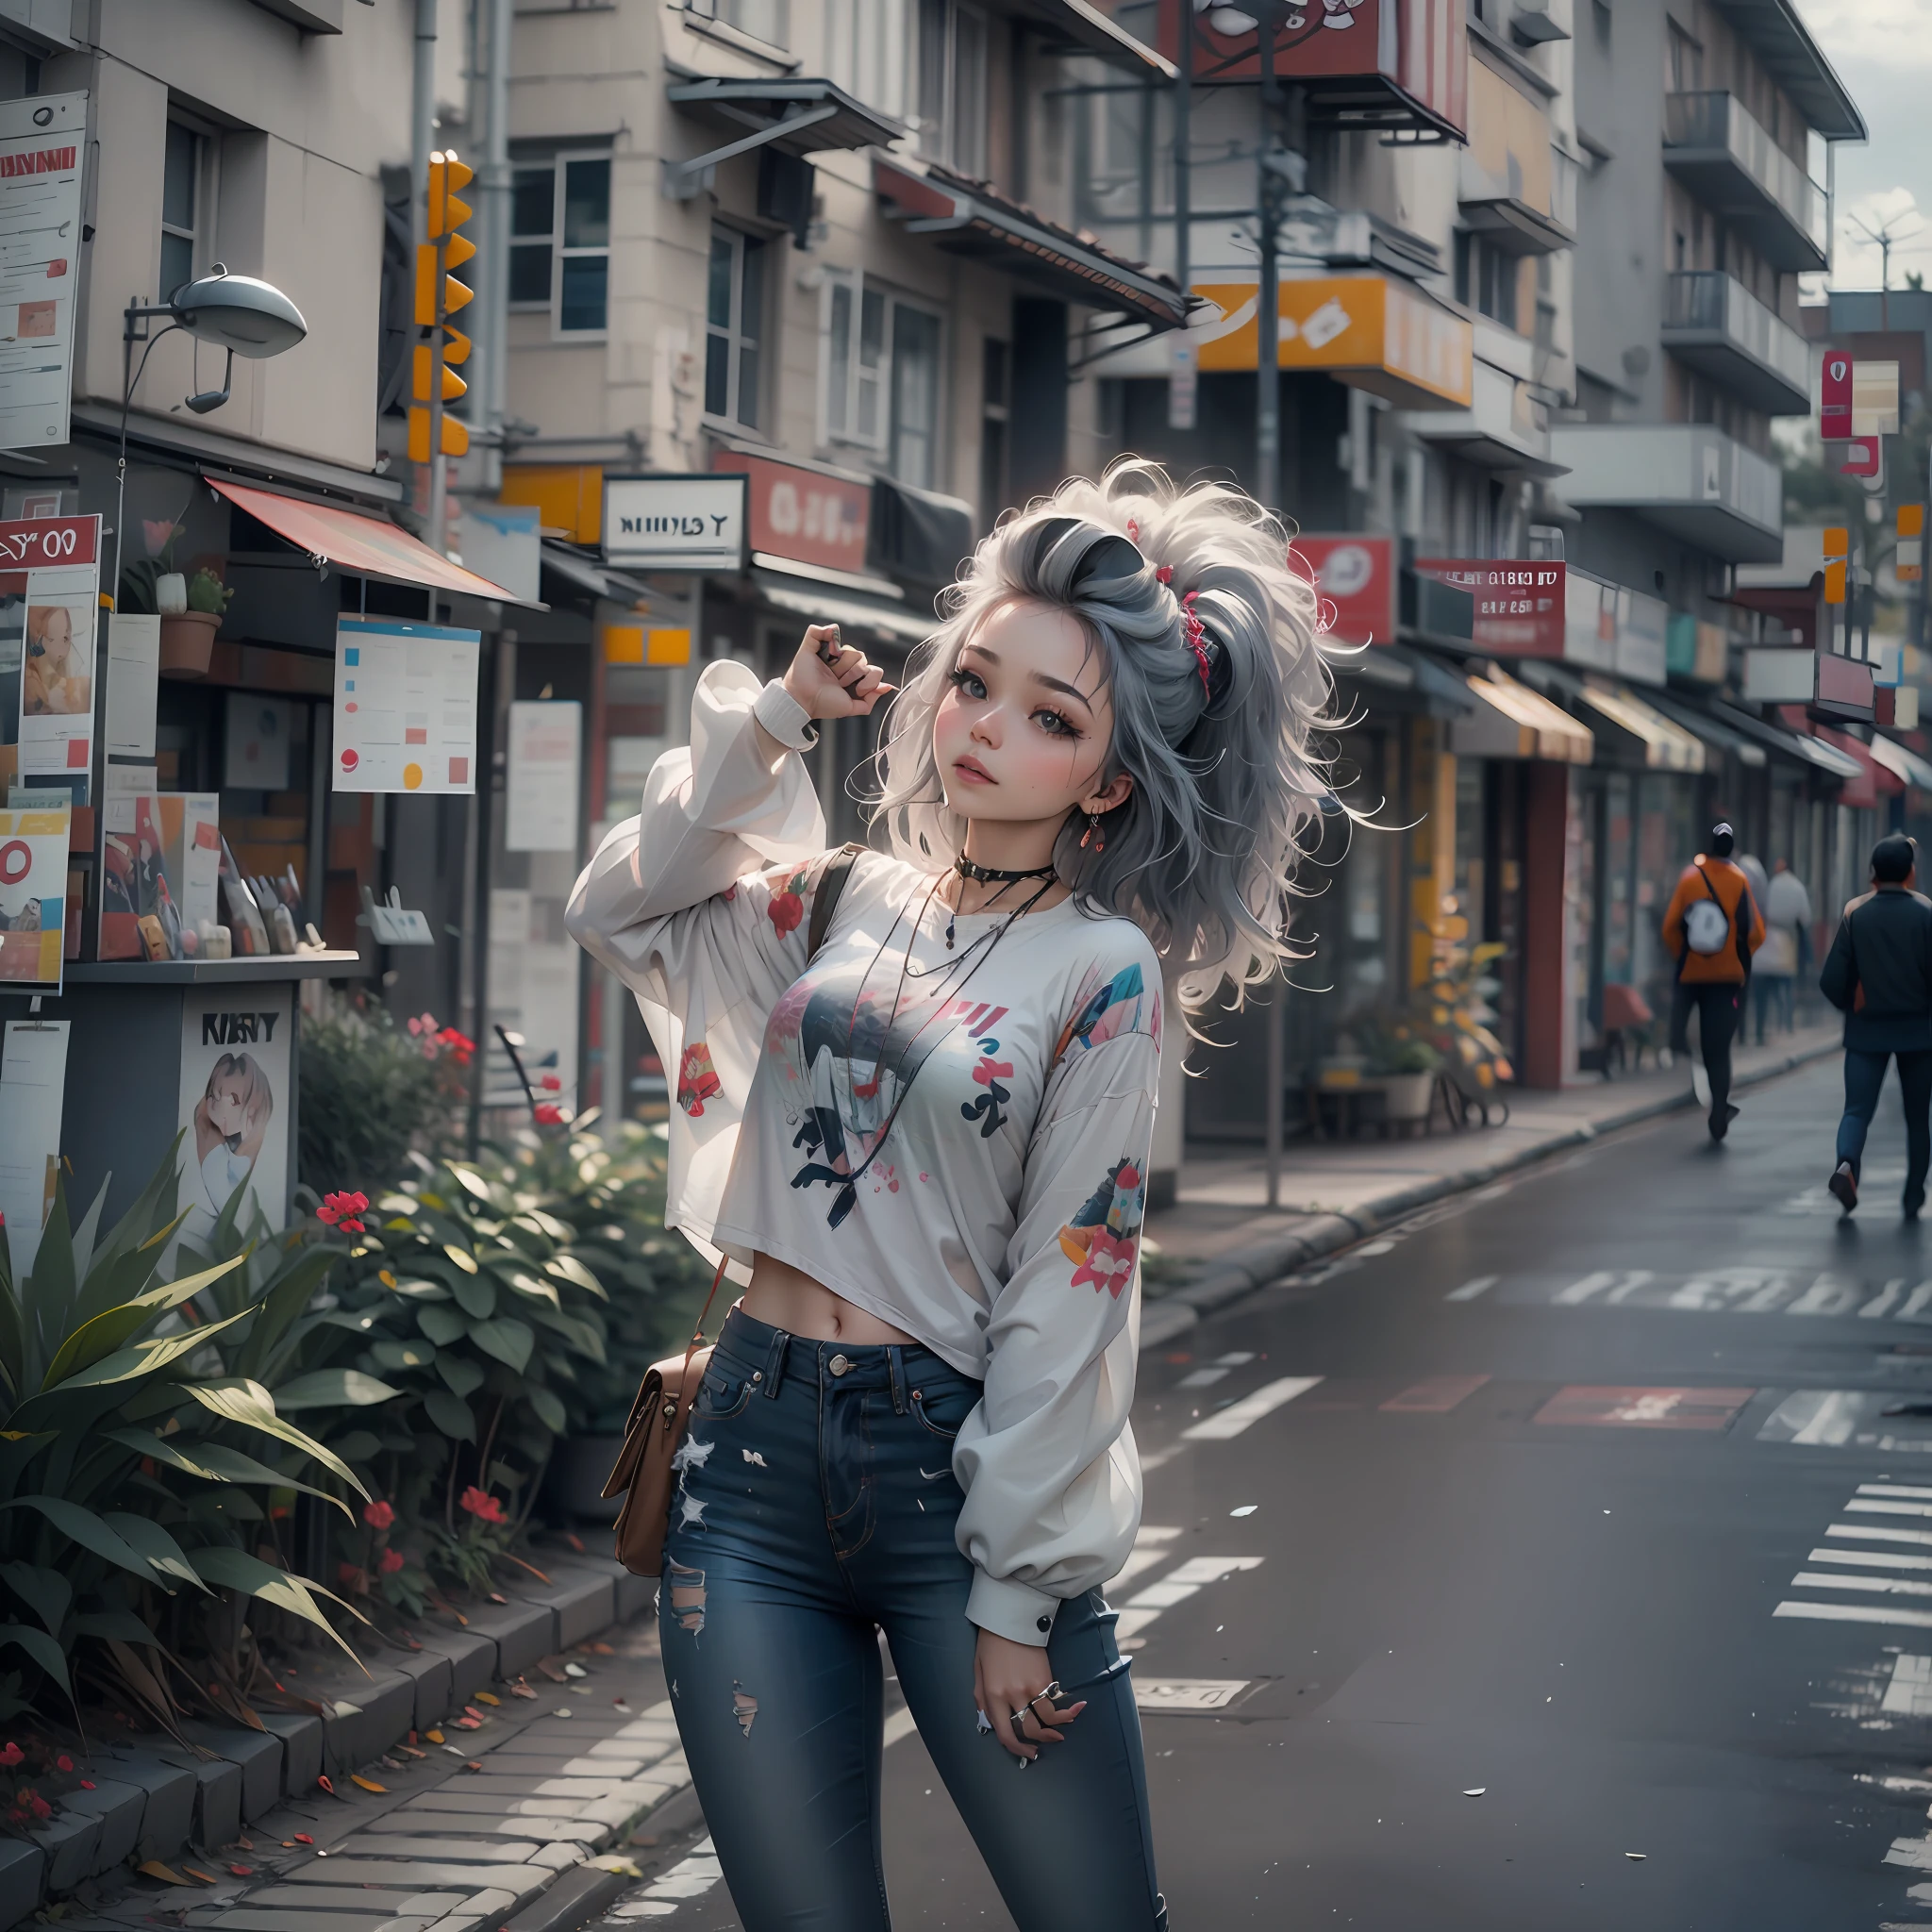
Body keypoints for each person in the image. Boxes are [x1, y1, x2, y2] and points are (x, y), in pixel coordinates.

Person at [566, 461, 1328, 1932]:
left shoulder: (1101, 971)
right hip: (751, 1467)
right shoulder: (843, 900)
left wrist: (1015, 1595)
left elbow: (1073, 1283)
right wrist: (774, 719)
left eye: (1052, 717)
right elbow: (621, 903)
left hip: (944, 1473)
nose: (988, 727)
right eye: (977, 681)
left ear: (1106, 781)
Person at [1818, 834, 1932, 1217]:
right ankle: (1914, 1195)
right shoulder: (1926, 913)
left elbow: (1831, 980)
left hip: (1866, 1031)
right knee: (1917, 1119)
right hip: (1919, 1033)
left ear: (1873, 873)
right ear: (1910, 873)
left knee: (1856, 1111)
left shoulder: (1856, 913)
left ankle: (1846, 1166)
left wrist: (1852, 1006)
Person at [1661, 819, 1765, 1141]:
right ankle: (1719, 1107)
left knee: (1688, 1031)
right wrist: (1736, 960)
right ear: (1732, 848)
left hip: (1692, 976)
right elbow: (1756, 933)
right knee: (1718, 1049)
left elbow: (1669, 928)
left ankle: (1674, 1047)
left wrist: (1686, 956)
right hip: (1727, 980)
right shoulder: (1739, 880)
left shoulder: (1689, 879)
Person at [1756, 857, 1813, 1042]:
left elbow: (1766, 910)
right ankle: (1786, 1022)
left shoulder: (1772, 885)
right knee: (1787, 983)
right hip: (1789, 938)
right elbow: (1805, 916)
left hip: (1771, 937)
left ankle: (1767, 1026)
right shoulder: (1797, 887)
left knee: (1767, 985)